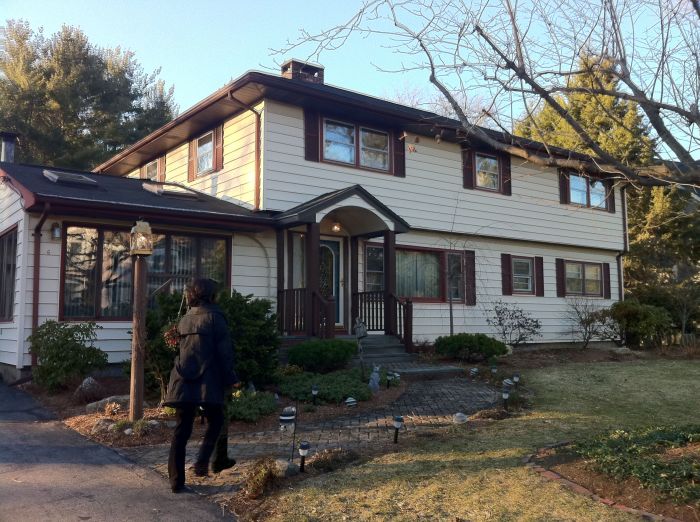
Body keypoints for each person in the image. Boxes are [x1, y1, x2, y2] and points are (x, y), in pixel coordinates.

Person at [164, 278, 238, 493]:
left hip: (183, 379)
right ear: (212, 295)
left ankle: (176, 481)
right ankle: (202, 462)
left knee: (182, 429)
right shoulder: (216, 317)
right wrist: (232, 378)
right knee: (217, 420)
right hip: (208, 379)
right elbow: (225, 353)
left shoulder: (186, 317)